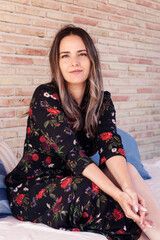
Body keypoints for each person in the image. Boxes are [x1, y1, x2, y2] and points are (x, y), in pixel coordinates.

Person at [5, 25, 160, 240]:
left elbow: (111, 147)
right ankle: (141, 236)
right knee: (92, 191)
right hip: (34, 189)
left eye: (82, 54)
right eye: (65, 56)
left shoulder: (102, 101)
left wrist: (127, 190)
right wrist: (118, 195)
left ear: (92, 59)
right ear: (57, 63)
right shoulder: (45, 97)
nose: (74, 62)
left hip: (75, 178)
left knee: (129, 172)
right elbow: (74, 156)